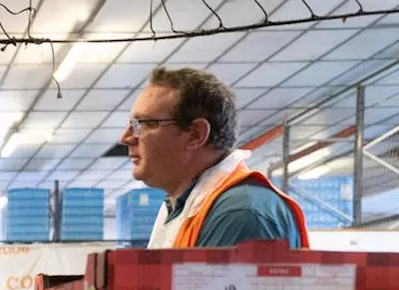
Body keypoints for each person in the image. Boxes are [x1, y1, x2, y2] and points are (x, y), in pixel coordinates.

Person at [122, 67, 310, 249]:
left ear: (195, 135)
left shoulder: (240, 213)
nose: (126, 138)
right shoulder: (181, 207)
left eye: (143, 124)